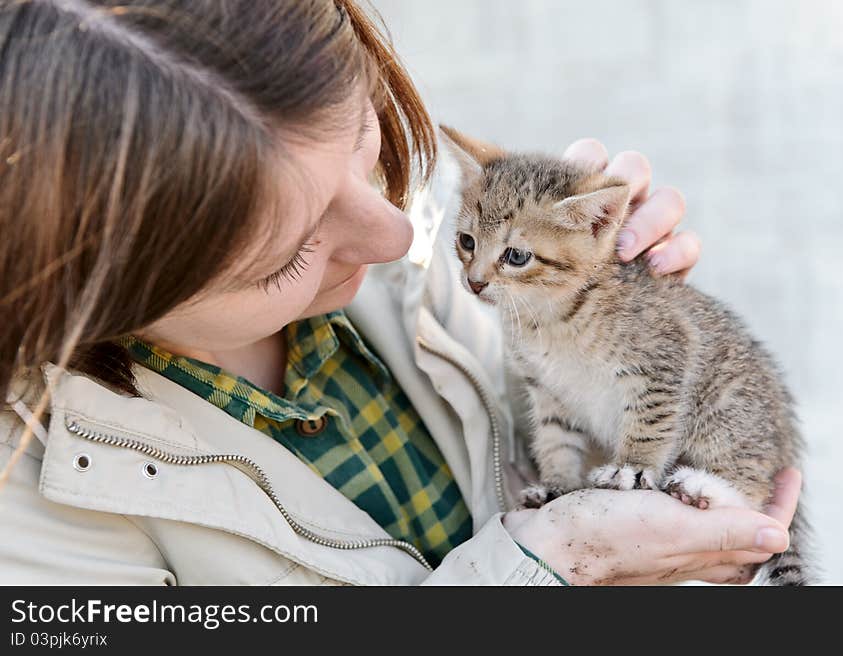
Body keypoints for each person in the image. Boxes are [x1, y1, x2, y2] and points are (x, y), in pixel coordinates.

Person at [0, 0, 799, 585]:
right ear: (95, 296)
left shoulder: (400, 265)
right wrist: (550, 571)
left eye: (362, 138)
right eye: (290, 251)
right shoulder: (29, 515)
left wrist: (600, 328)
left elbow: (557, 456)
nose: (391, 232)